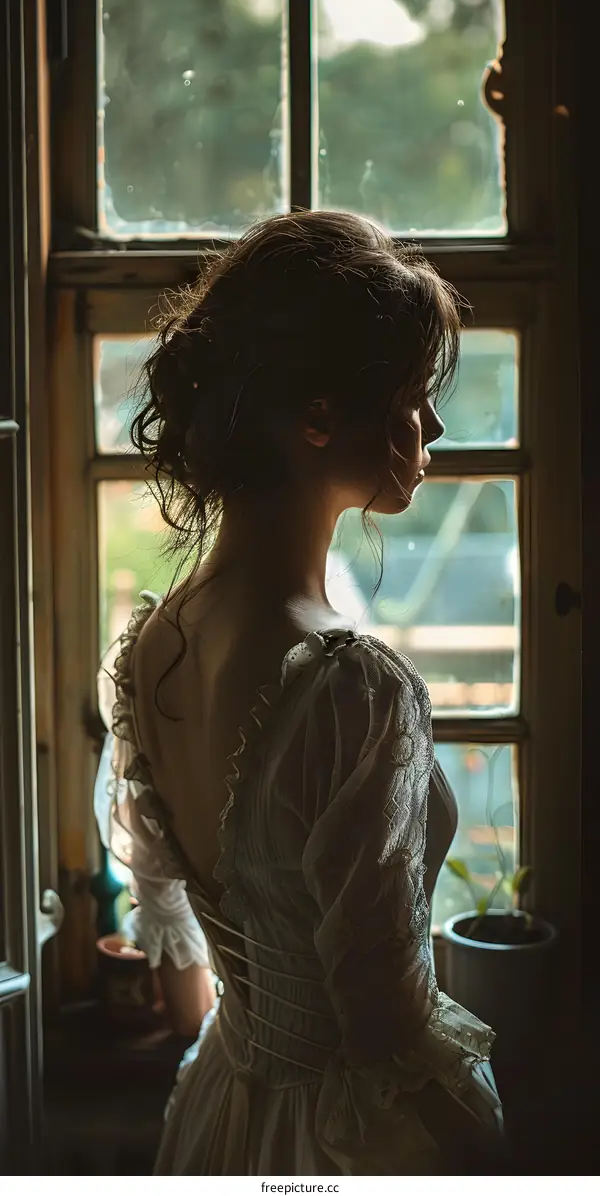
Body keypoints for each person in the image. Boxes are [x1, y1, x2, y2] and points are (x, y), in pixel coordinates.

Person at [95, 210, 503, 1175]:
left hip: (225, 1106)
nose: (434, 427)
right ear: (318, 418)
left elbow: (173, 908)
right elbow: (383, 1025)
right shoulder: (348, 686)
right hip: (334, 1141)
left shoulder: (153, 642)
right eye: (410, 396)